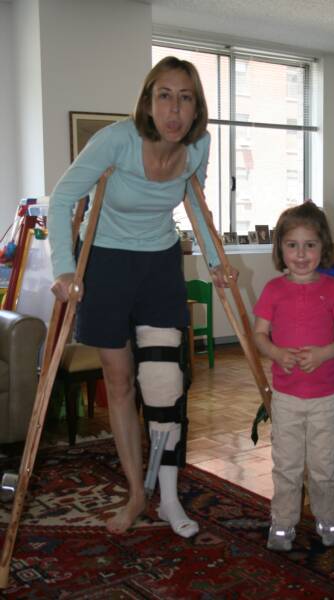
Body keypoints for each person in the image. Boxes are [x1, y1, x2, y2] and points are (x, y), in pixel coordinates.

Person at [48, 56, 236, 538]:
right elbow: (63, 198)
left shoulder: (198, 146)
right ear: (148, 103)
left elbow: (195, 202)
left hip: (158, 262)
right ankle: (136, 493)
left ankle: (169, 498)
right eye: (164, 96)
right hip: (106, 260)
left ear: (197, 108)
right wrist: (64, 269)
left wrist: (215, 260)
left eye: (185, 98)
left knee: (163, 380)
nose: (175, 109)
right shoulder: (116, 141)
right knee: (120, 382)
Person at [253, 201, 334, 551]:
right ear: (280, 249)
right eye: (292, 245)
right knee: (287, 464)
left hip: (325, 399)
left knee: (325, 463)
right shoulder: (273, 290)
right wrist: (276, 353)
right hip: (286, 398)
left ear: (322, 248)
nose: (300, 254)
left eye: (309, 245)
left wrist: (324, 353)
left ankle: (329, 518)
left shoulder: (332, 289)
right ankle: (283, 522)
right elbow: (259, 335)